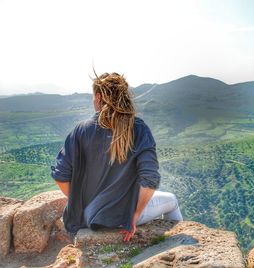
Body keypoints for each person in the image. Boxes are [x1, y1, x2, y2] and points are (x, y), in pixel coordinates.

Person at [50, 72, 183, 242]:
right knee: (171, 200)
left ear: (98, 97)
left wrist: (85, 206)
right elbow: (150, 179)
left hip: (87, 218)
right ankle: (177, 244)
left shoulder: (80, 130)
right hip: (123, 218)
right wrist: (134, 216)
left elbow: (60, 176)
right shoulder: (139, 129)